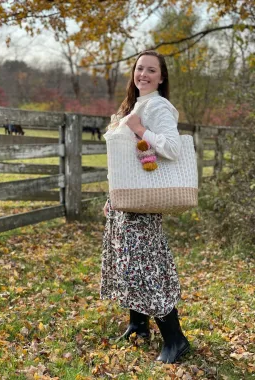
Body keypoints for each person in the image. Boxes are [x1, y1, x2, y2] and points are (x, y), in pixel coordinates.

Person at [101, 50, 190, 364]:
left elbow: (172, 147)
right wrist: (112, 198)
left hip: (144, 203)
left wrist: (139, 129)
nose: (144, 74)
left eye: (151, 70)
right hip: (127, 202)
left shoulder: (158, 106)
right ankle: (139, 326)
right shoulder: (134, 104)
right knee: (130, 266)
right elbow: (125, 160)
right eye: (140, 69)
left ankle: (175, 339)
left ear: (161, 77)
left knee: (148, 269)